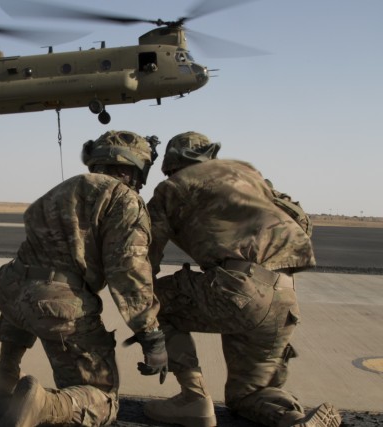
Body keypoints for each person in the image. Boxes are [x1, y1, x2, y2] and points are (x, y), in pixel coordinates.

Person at [144, 131, 342, 427]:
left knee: (152, 300)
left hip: (238, 290)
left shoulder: (172, 187)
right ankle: (292, 419)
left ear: (172, 165)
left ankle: (193, 399)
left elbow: (146, 255)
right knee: (247, 395)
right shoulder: (252, 181)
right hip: (283, 296)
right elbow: (302, 222)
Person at [0, 130, 168, 427]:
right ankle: (43, 404)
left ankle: (6, 374)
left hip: (9, 288)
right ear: (136, 168)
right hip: (55, 305)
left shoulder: (61, 189)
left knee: (31, 292)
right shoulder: (124, 199)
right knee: (102, 399)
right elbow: (128, 271)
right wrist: (151, 335)